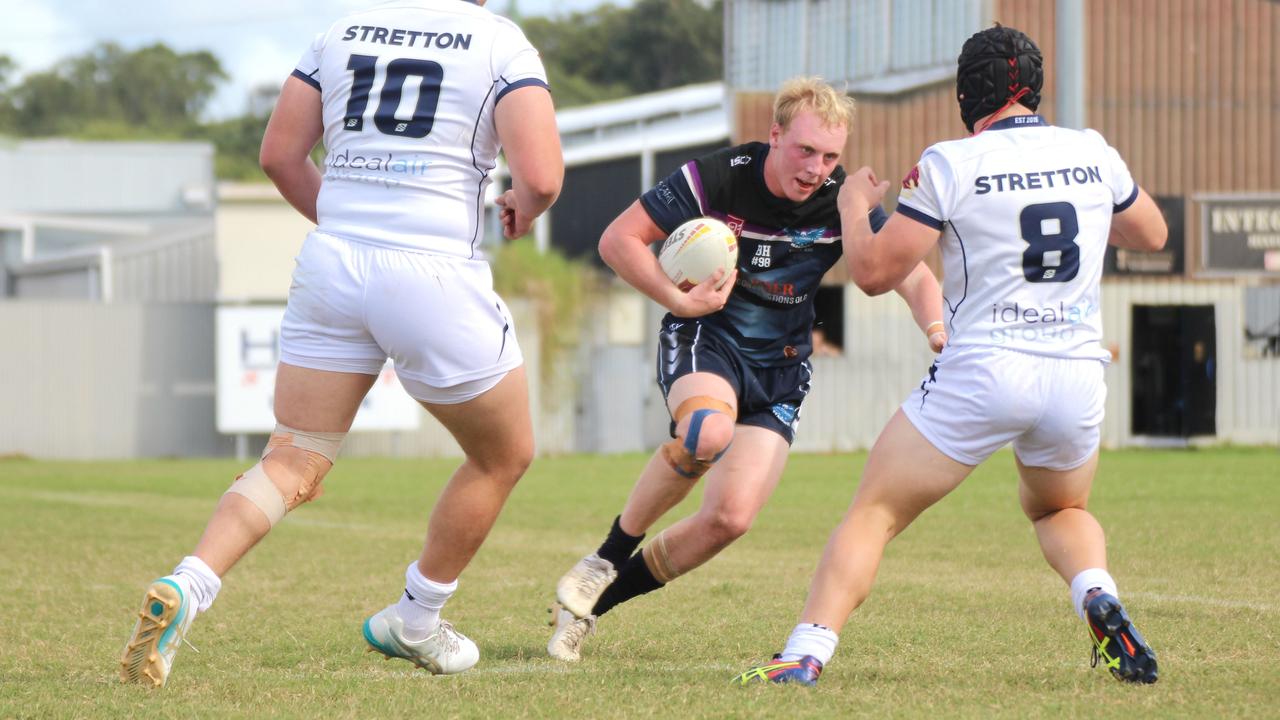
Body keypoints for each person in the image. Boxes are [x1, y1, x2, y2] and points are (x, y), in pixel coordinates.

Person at [119, 0, 562, 687]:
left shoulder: (342, 30)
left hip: (333, 265)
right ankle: (416, 619)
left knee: (293, 457)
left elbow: (278, 156)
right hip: (432, 274)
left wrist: (351, 223)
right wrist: (524, 209)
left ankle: (190, 583)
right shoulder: (501, 43)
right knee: (503, 455)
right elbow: (541, 176)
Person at [734, 25, 1166, 687]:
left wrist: (855, 205)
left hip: (986, 369)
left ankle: (805, 652)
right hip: (1077, 375)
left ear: (970, 92)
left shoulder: (951, 163)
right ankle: (1096, 594)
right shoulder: (1092, 151)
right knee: (1059, 510)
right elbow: (1151, 233)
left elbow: (876, 272)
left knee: (875, 513)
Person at [547, 76, 947, 662]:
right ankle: (605, 557)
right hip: (708, 337)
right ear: (775, 134)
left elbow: (911, 274)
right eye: (805, 150)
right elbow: (618, 240)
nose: (816, 168)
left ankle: (586, 609)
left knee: (729, 519)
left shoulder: (844, 200)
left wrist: (938, 332)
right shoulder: (720, 175)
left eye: (831, 156)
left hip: (781, 369)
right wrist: (679, 300)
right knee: (706, 432)